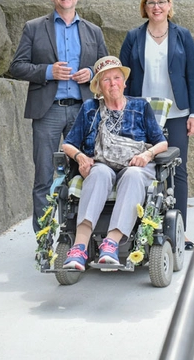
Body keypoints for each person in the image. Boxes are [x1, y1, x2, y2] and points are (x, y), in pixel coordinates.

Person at [9, 0, 108, 233]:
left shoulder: (93, 31)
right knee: (44, 175)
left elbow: (106, 69)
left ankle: (79, 235)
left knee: (86, 171)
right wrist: (47, 72)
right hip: (47, 111)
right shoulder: (33, 27)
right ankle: (43, 237)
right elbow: (16, 67)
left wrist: (91, 73)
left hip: (83, 112)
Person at [61, 56, 168, 269]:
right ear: (98, 86)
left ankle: (111, 243)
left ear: (124, 82)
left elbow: (162, 143)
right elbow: (68, 144)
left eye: (117, 78)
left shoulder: (140, 106)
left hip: (135, 165)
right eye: (106, 80)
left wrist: (146, 156)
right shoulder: (90, 108)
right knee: (98, 173)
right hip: (101, 164)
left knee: (133, 175)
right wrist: (81, 157)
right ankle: (79, 247)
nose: (113, 84)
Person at [119, 0, 194, 250]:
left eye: (161, 2)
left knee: (177, 169)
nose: (157, 7)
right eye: (151, 2)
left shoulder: (183, 36)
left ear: (169, 6)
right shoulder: (133, 36)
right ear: (144, 7)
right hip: (141, 113)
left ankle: (180, 230)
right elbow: (123, 77)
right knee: (139, 167)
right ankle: (138, 228)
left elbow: (193, 76)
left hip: (177, 113)